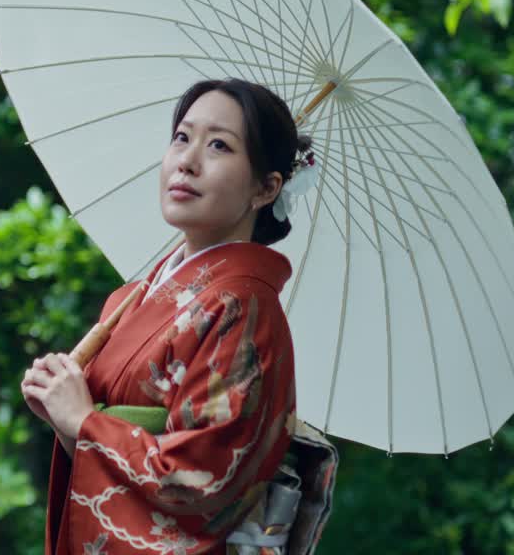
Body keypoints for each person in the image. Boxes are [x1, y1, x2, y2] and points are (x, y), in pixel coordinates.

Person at [20, 77, 316, 554]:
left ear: (266, 188)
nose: (187, 161)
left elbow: (202, 477)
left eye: (218, 145)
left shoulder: (240, 306)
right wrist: (64, 415)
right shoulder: (130, 299)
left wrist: (86, 423)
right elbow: (107, 458)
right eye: (182, 137)